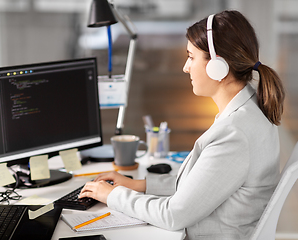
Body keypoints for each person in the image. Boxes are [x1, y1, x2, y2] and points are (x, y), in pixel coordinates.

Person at [79, 10, 285, 240]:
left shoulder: (235, 133)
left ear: (217, 66)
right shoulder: (248, 110)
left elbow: (173, 215)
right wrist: (137, 184)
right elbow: (201, 185)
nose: (186, 67)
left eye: (191, 57)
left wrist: (113, 195)